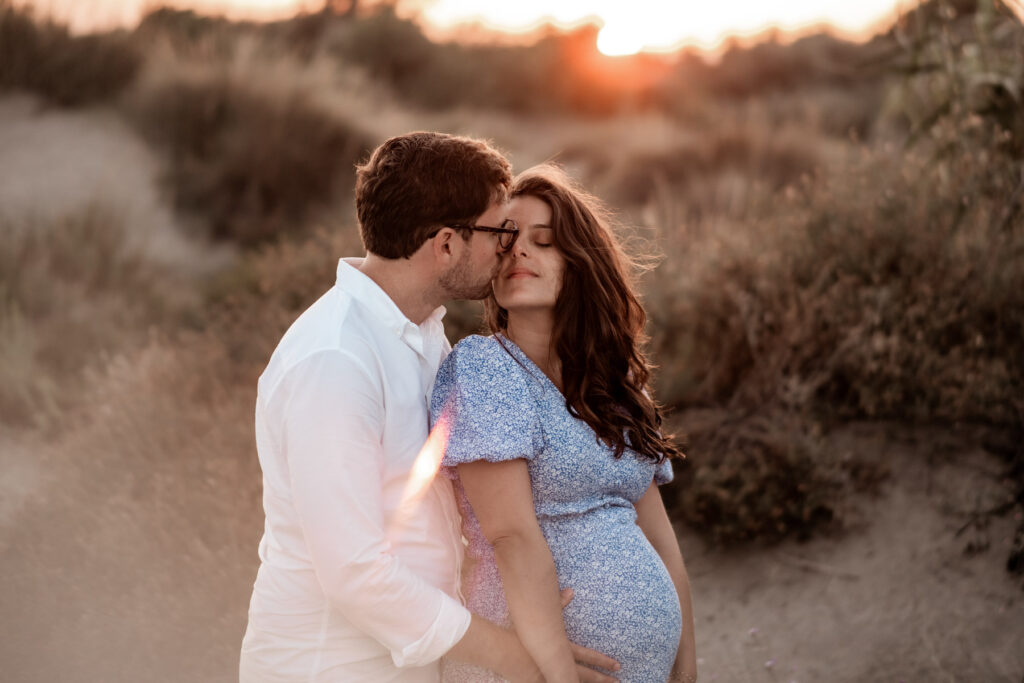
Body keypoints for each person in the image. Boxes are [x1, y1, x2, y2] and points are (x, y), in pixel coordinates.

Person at [239, 134, 618, 682]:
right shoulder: (335, 360)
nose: (508, 249)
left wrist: (520, 612)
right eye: (499, 232)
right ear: (445, 245)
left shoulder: (422, 336)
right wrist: (521, 659)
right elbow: (354, 572)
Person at [431, 165, 699, 683]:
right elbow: (510, 537)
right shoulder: (485, 368)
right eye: (506, 240)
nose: (518, 252)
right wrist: (558, 674)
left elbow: (659, 537)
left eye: (544, 241)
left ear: (578, 262)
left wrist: (685, 664)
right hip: (534, 669)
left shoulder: (616, 383)